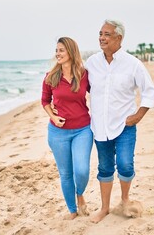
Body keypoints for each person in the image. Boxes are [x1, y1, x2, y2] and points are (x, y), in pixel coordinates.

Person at [85, 19, 154, 223]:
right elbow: (83, 87)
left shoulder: (132, 64)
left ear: (119, 38)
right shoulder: (92, 63)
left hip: (125, 125)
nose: (101, 38)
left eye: (107, 34)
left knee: (125, 165)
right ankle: (105, 208)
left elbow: (149, 91)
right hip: (100, 126)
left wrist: (138, 115)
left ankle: (125, 200)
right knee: (105, 168)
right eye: (100, 33)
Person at [41, 37, 93, 220]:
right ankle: (72, 210)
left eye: (61, 50)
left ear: (71, 52)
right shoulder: (51, 76)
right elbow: (45, 101)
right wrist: (53, 116)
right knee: (65, 173)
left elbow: (100, 92)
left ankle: (80, 195)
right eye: (56, 50)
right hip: (58, 133)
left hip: (83, 130)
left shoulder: (84, 74)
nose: (57, 54)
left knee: (82, 170)